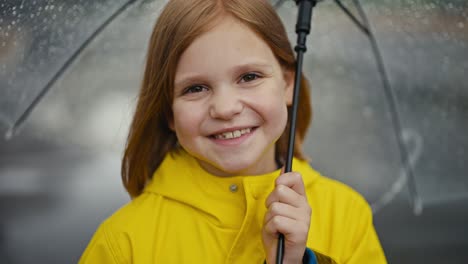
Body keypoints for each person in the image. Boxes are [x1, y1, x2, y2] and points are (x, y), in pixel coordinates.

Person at [80, 0, 387, 263]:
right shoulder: (123, 243)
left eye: (249, 77)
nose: (225, 108)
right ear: (168, 112)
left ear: (288, 83)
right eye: (195, 88)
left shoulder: (346, 215)